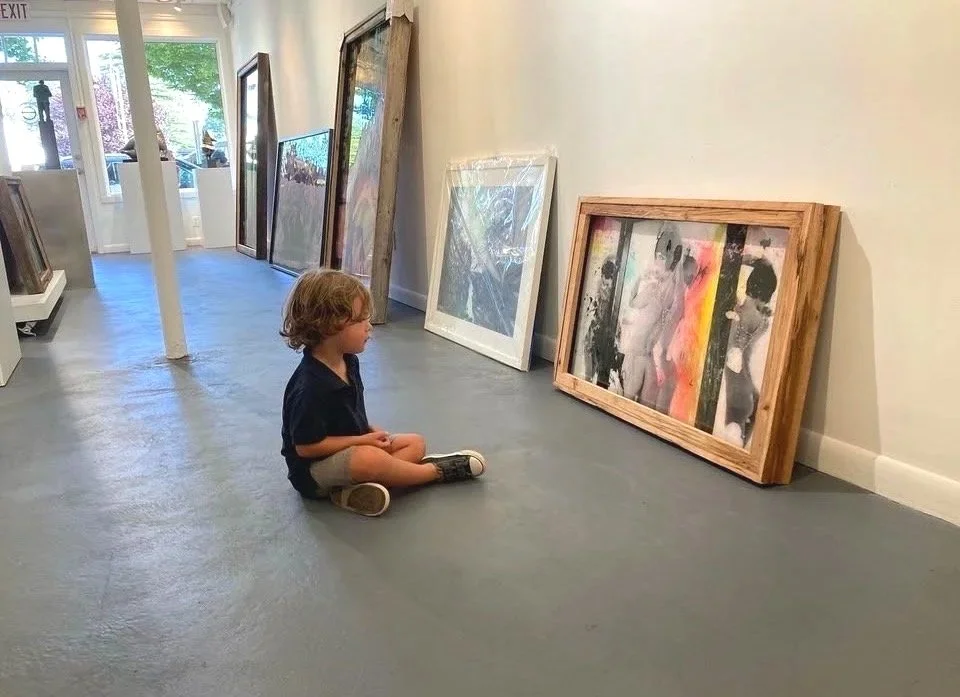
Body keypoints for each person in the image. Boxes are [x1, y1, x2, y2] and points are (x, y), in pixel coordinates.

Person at [280, 269, 486, 516]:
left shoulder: (348, 361)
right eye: (360, 320)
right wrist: (362, 441)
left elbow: (347, 413)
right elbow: (306, 448)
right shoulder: (309, 387)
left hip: (351, 449)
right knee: (368, 459)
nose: (369, 327)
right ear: (329, 326)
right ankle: (434, 472)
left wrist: (368, 430)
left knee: (415, 442)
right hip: (313, 474)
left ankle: (351, 491)